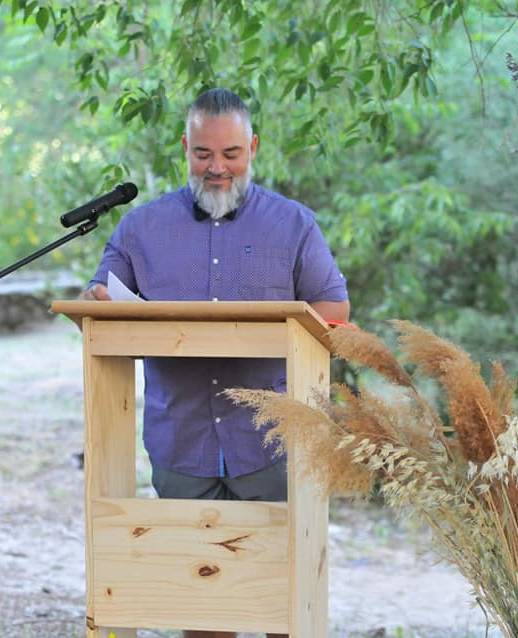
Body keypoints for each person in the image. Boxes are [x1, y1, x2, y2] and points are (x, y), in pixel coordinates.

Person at [79, 88, 349, 638]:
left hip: (272, 442)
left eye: (230, 154)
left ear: (253, 147)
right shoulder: (141, 228)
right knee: (200, 602)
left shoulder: (294, 225)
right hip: (181, 439)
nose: (217, 168)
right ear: (185, 148)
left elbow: (333, 310)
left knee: (281, 599)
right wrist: (99, 300)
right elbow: (101, 295)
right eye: (203, 154)